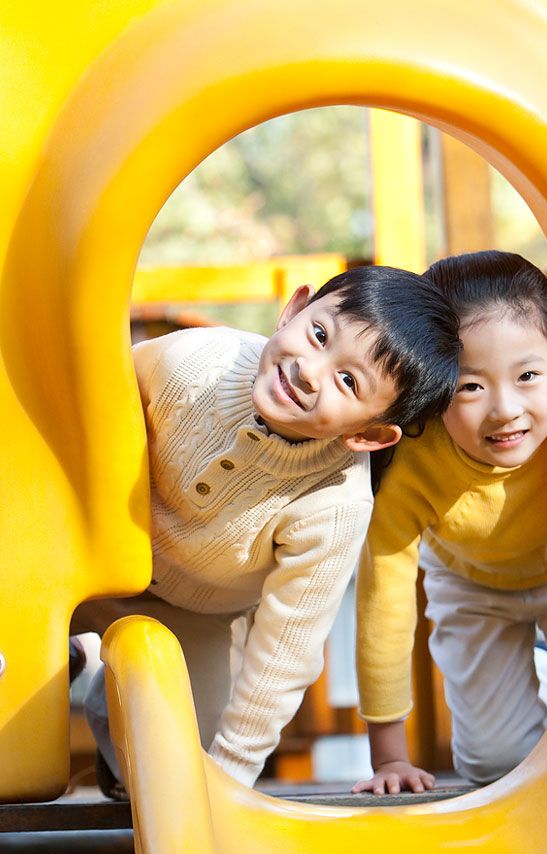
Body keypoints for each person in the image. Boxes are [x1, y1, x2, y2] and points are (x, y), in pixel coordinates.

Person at [73, 265, 460, 791]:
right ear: (294, 309)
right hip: (81, 556)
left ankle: (104, 684)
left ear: (368, 435)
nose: (310, 372)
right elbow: (78, 398)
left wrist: (229, 779)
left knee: (185, 774)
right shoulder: (193, 363)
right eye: (319, 335)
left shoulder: (335, 505)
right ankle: (68, 655)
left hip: (193, 615)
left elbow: (284, 654)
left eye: (348, 381)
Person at [353, 250, 547, 796]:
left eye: (529, 375)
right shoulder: (411, 460)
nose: (506, 409)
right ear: (436, 387)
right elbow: (383, 602)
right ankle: (546, 691)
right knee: (495, 763)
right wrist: (388, 757)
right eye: (470, 387)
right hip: (472, 585)